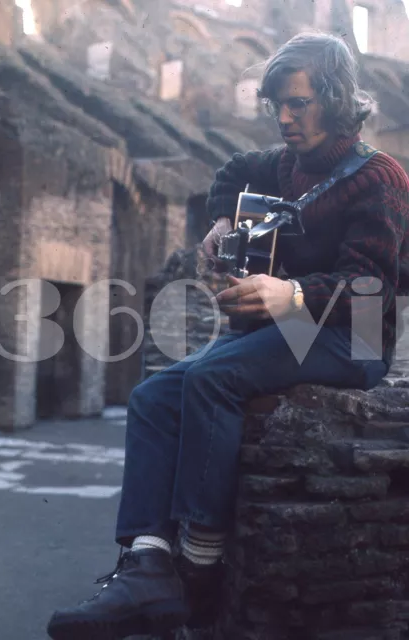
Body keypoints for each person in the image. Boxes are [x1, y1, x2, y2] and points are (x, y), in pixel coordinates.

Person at [47, 32, 409, 640]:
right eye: (276, 105)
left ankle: (201, 563)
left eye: (297, 103)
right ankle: (148, 560)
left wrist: (289, 293)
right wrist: (222, 217)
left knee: (212, 377)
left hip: (358, 338)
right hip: (293, 330)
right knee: (154, 396)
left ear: (335, 97)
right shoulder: (283, 163)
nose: (284, 118)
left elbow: (371, 284)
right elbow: (233, 169)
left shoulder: (381, 178)